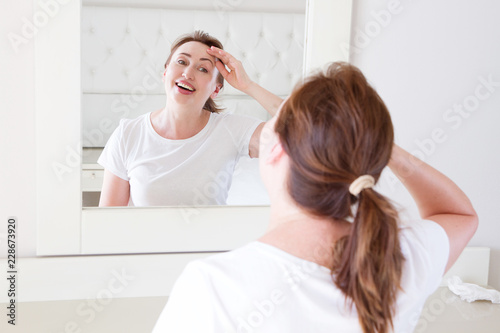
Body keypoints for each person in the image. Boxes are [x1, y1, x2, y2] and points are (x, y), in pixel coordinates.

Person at [152, 62, 478, 332]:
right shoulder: (402, 256)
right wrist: (374, 143)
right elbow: (460, 216)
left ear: (276, 148)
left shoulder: (213, 289)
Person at [98, 31, 282, 206]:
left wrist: (248, 85)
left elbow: (302, 129)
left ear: (215, 89)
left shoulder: (232, 129)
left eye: (203, 69)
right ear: (165, 72)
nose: (188, 73)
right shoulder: (128, 134)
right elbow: (106, 221)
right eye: (181, 61)